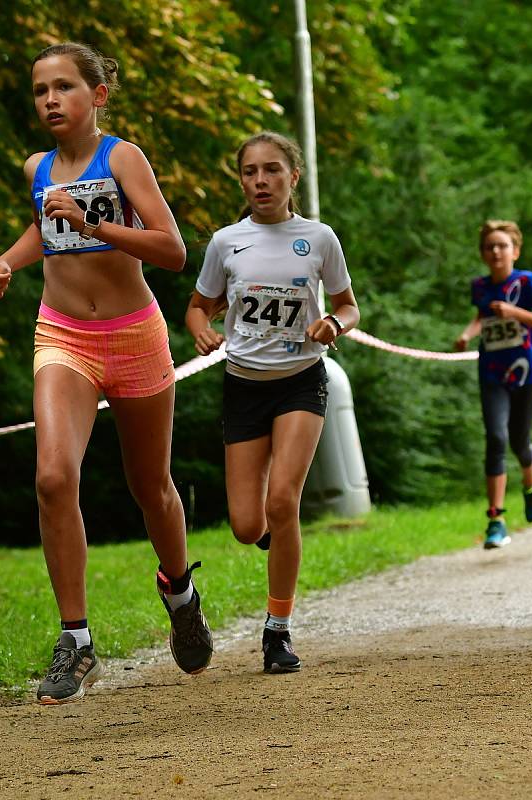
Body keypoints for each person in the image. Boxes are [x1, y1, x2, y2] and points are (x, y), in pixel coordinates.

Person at [0, 41, 213, 704]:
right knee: (54, 477)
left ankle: (180, 591)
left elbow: (171, 250)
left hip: (135, 335)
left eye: (64, 87)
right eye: (40, 91)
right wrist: (7, 263)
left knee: (152, 488)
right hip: (63, 334)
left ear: (98, 96)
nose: (51, 100)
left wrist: (97, 224)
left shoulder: (124, 158)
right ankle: (77, 641)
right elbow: (45, 231)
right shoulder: (38, 166)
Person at [185, 131, 359, 673]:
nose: (260, 181)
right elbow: (198, 306)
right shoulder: (225, 242)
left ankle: (277, 632)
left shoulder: (320, 238)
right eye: (250, 172)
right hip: (243, 386)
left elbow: (349, 306)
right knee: (246, 525)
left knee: (283, 501)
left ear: (292, 178)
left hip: (301, 381)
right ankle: (270, 535)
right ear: (241, 180)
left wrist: (333, 322)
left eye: (271, 171)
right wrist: (201, 331)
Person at [455, 220, 532, 549]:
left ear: (515, 251)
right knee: (496, 439)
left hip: (526, 372)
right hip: (491, 374)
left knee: (519, 440)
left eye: (502, 245)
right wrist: (466, 335)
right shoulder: (480, 286)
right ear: (483, 254)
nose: (496, 251)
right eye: (490, 247)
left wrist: (516, 313)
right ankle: (495, 520)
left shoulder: (526, 282)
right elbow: (481, 317)